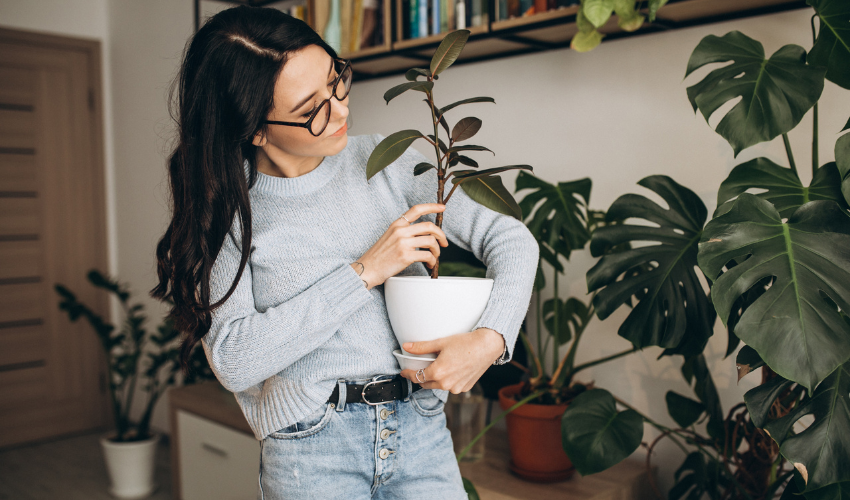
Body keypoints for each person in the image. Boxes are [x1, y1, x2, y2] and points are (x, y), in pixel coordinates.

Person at [151, 5, 538, 499]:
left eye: (336, 80)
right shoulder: (227, 209)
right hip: (310, 449)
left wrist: (490, 339)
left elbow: (511, 239)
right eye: (311, 109)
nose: (341, 111)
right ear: (254, 130)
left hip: (420, 429)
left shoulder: (388, 160)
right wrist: (363, 273)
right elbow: (234, 359)